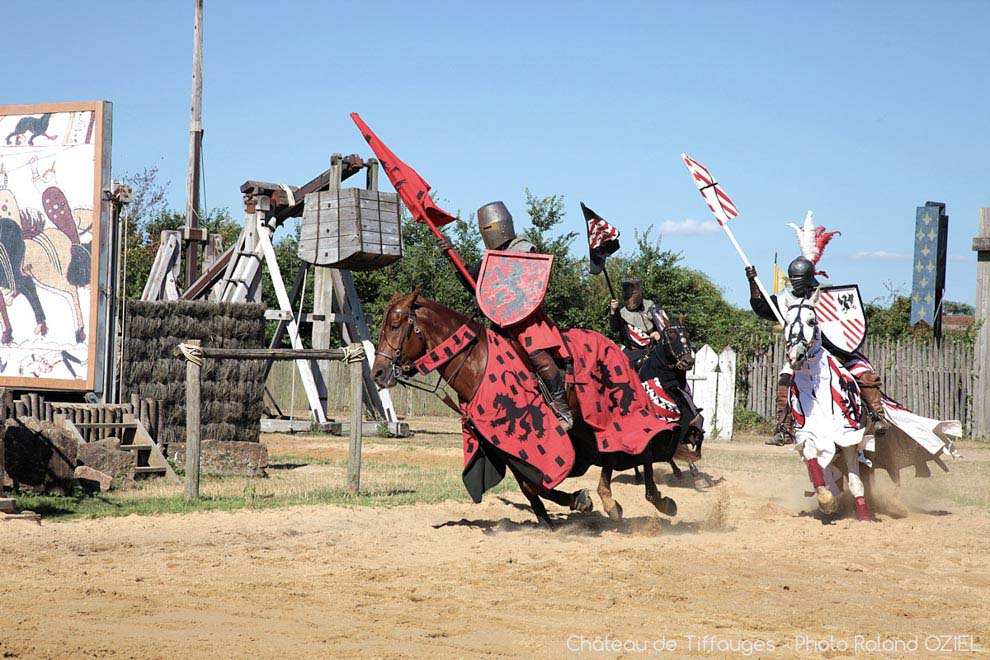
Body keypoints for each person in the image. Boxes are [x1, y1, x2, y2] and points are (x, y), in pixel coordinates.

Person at [439, 201, 574, 430]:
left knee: (538, 356)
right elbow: (473, 282)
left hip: (527, 321)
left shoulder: (523, 250)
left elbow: (527, 283)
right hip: (501, 322)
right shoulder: (492, 257)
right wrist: (452, 255)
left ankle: (562, 408)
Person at [746, 257, 888, 446]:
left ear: (807, 277)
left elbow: (845, 327)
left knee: (863, 375)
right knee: (785, 379)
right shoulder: (786, 300)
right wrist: (752, 282)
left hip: (837, 352)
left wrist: (840, 351)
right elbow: (761, 307)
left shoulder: (827, 296)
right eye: (792, 277)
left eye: (797, 277)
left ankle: (877, 417)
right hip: (804, 356)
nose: (794, 281)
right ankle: (785, 429)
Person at [608, 279, 662, 365]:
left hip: (654, 348)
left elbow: (663, 326)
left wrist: (658, 334)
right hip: (632, 351)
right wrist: (613, 311)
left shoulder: (651, 306)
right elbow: (614, 328)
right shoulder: (621, 311)